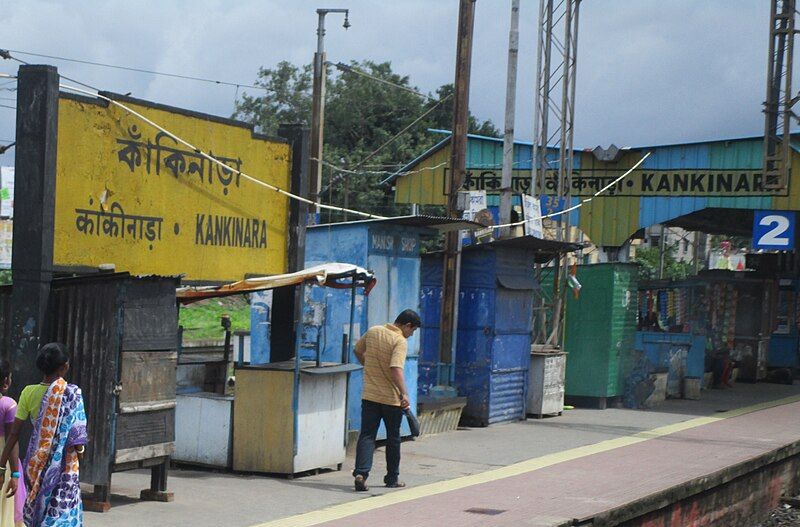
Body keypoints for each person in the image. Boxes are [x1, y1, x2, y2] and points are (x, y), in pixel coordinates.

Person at [0, 343, 88, 526]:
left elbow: (14, 435)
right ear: (64, 367)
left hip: (37, 464)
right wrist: (79, 455)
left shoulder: (28, 392)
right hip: (64, 465)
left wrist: (2, 468)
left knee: (38, 512)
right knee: (61, 514)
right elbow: (77, 436)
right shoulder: (72, 393)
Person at [352, 309, 420, 492]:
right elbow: (396, 368)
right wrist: (404, 393)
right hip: (391, 399)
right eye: (412, 331)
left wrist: (368, 365)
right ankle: (392, 478)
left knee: (367, 435)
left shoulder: (374, 331)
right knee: (393, 438)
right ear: (407, 325)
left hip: (370, 395)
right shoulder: (399, 340)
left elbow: (357, 349)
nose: (411, 334)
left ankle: (360, 474)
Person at [0, 361, 24, 527]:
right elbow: (12, 440)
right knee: (4, 505)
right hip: (4, 459)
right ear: (6, 382)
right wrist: (15, 474)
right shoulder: (8, 405)